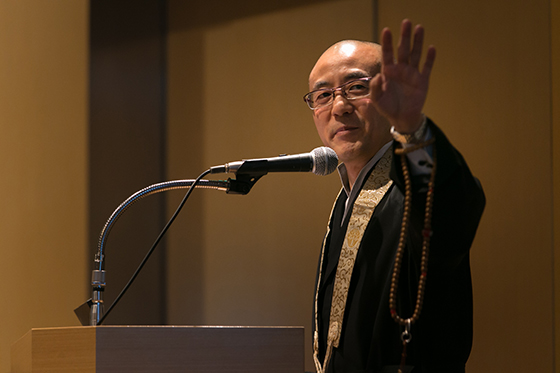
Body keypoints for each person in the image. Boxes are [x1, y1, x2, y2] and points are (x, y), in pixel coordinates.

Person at [303, 20, 485, 373]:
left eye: (356, 88)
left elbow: (452, 210)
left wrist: (411, 126)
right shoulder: (346, 201)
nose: (338, 107)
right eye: (323, 95)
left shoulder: (412, 189)